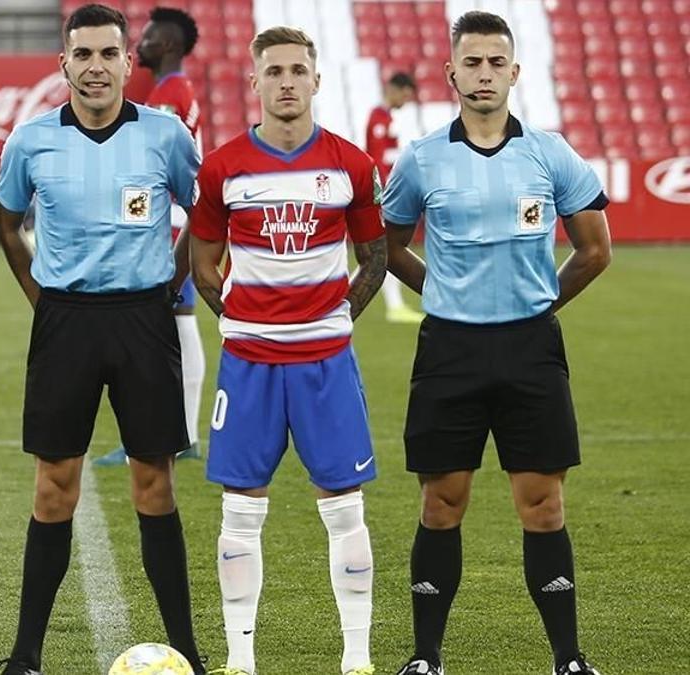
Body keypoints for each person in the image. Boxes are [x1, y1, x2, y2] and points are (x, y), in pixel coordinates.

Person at [381, 11, 611, 675]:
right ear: (451, 72)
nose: (484, 73)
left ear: (515, 71)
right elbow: (387, 245)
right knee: (441, 501)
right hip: (450, 350)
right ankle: (426, 659)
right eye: (471, 62)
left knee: (542, 504)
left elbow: (595, 250)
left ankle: (568, 659)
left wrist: (539, 300)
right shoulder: (423, 158)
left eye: (495, 62)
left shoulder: (550, 152)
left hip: (529, 349)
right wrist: (442, 293)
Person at [0, 4, 205, 674]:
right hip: (66, 322)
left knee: (154, 485)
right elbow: (6, 219)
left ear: (124, 61)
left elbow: (202, 209)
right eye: (81, 54)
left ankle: (187, 649)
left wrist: (174, 280)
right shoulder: (31, 141)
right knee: (54, 485)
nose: (94, 67)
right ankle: (26, 651)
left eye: (107, 54)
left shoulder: (165, 136)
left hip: (143, 319)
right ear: (64, 64)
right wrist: (41, 299)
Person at [189, 26, 386, 675]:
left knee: (344, 505)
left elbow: (376, 256)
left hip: (326, 361)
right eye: (273, 71)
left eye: (298, 70)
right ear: (255, 81)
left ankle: (356, 656)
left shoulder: (351, 164)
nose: (286, 81)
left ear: (316, 79)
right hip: (248, 363)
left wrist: (332, 316)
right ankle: (240, 659)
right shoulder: (221, 168)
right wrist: (242, 320)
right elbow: (204, 261)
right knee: (241, 508)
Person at [96, 4, 206, 467]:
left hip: (167, 230)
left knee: (168, 329)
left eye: (150, 35)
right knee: (179, 326)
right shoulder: (175, 88)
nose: (139, 41)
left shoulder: (168, 96)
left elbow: (153, 166)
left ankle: (173, 433)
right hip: (174, 224)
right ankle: (184, 432)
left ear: (170, 45)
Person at [365, 71, 425, 324]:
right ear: (393, 89)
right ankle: (394, 305)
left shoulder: (385, 117)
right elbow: (377, 159)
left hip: (388, 190)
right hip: (384, 193)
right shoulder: (379, 118)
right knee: (388, 248)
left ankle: (395, 304)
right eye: (404, 94)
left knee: (386, 249)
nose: (405, 100)